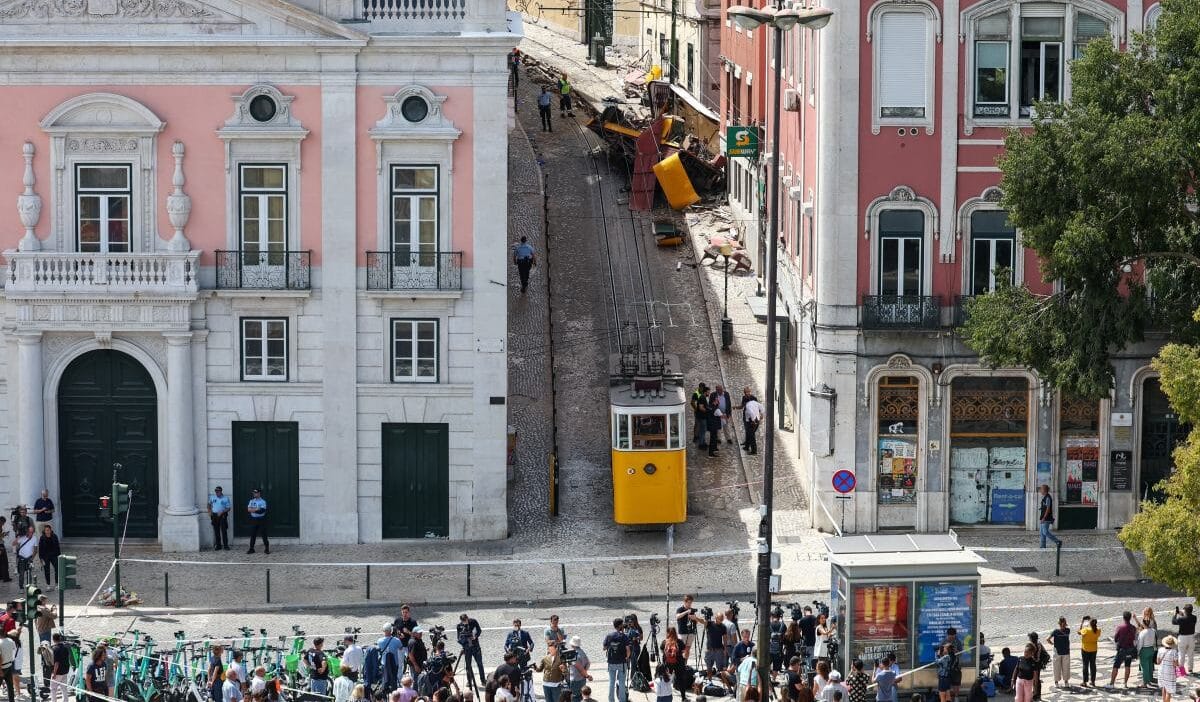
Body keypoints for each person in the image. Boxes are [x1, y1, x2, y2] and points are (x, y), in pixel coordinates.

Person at [603, 618, 631, 702]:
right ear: (620, 626)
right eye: (622, 624)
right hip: (622, 662)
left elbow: (604, 648)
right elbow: (628, 650)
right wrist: (627, 657)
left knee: (611, 682)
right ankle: (622, 700)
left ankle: (611, 700)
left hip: (611, 662)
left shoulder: (609, 635)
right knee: (622, 683)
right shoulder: (624, 636)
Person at [1109, 611, 1139, 689]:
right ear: (1130, 618)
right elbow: (1135, 638)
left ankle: (1112, 684)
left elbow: (1115, 638)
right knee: (1128, 666)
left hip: (1122, 650)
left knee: (1116, 666)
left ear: (1123, 618)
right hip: (1130, 649)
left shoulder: (1120, 627)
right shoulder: (1133, 628)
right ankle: (1125, 684)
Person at [458, 614, 486, 689]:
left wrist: (475, 636)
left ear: (467, 618)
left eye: (466, 620)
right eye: (463, 621)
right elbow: (459, 638)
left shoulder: (473, 621)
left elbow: (479, 630)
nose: (465, 622)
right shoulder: (459, 626)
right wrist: (464, 641)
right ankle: (469, 680)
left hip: (476, 646)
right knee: (468, 665)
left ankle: (483, 680)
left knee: (479, 663)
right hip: (467, 648)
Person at [566, 637, 593, 702]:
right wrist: (585, 673)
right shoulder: (582, 652)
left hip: (575, 680)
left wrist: (586, 675)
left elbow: (579, 668)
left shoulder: (573, 654)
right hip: (582, 679)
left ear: (572, 644)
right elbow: (588, 663)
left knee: (575, 697)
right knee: (582, 696)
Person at [1048, 617, 1071, 687]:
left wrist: (1052, 644)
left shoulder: (1055, 631)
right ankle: (1066, 681)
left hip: (1057, 651)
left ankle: (1056, 682)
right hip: (1066, 651)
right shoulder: (1068, 630)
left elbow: (1048, 639)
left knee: (1056, 667)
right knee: (1066, 667)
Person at [246, 488, 269, 554]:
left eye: (255, 493)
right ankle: (251, 548)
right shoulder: (251, 501)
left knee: (264, 534)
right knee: (253, 534)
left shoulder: (263, 501)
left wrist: (253, 510)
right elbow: (248, 510)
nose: (254, 494)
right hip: (254, 519)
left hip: (261, 519)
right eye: (254, 493)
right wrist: (256, 509)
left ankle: (267, 548)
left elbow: (261, 511)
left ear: (259, 493)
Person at [208, 486, 232, 551]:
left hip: (222, 515)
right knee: (216, 531)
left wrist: (222, 511)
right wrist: (209, 511)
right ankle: (218, 545)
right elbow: (209, 504)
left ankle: (226, 545)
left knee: (224, 531)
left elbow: (228, 508)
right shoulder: (212, 497)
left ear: (221, 491)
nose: (217, 492)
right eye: (216, 491)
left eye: (218, 491)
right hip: (214, 515)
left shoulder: (225, 498)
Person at [739, 390, 763, 455]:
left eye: (748, 392)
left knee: (751, 435)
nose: (747, 393)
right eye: (746, 392)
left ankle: (754, 451)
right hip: (749, 419)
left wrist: (754, 420)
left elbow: (753, 412)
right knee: (749, 433)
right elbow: (762, 408)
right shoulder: (747, 400)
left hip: (752, 421)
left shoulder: (751, 402)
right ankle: (747, 446)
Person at [1175, 605, 1196, 675]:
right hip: (1191, 637)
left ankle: (1181, 671)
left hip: (1182, 637)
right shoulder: (1194, 617)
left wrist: (1175, 614)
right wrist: (1183, 614)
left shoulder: (1181, 619)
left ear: (1185, 610)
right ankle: (1190, 669)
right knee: (1191, 654)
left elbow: (1173, 621)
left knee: (1181, 654)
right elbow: (1188, 617)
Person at [1078, 616, 1100, 687]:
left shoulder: (1086, 630)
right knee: (1093, 665)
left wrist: (1082, 622)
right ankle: (1093, 681)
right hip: (1094, 649)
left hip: (1085, 649)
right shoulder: (1098, 630)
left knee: (1085, 665)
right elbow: (1094, 628)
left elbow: (1079, 632)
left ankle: (1084, 681)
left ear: (1090, 623)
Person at [1140, 613, 1159, 688]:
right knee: (1150, 665)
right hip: (1151, 648)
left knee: (1144, 666)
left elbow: (1140, 644)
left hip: (1144, 649)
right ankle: (1150, 678)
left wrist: (1138, 651)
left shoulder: (1142, 632)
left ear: (1143, 623)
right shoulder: (1153, 630)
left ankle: (1145, 682)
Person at [1159, 636, 1181, 702]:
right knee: (1169, 690)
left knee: (1164, 687)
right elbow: (1176, 664)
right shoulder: (1174, 651)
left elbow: (1158, 662)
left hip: (1162, 671)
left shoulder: (1160, 650)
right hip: (1170, 672)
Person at [38, 524, 60, 588]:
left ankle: (56, 583)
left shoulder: (54, 536)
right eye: (46, 530)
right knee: (47, 570)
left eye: (48, 530)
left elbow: (57, 547)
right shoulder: (42, 538)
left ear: (51, 530)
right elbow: (40, 548)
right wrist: (41, 558)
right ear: (44, 531)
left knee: (57, 569)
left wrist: (59, 555)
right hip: (45, 557)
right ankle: (48, 584)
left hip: (54, 555)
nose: (47, 531)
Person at [49, 633, 70, 702]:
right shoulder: (65, 648)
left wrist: (54, 673)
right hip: (65, 671)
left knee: (53, 689)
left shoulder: (55, 649)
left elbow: (56, 663)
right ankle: (66, 700)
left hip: (58, 672)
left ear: (53, 639)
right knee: (64, 688)